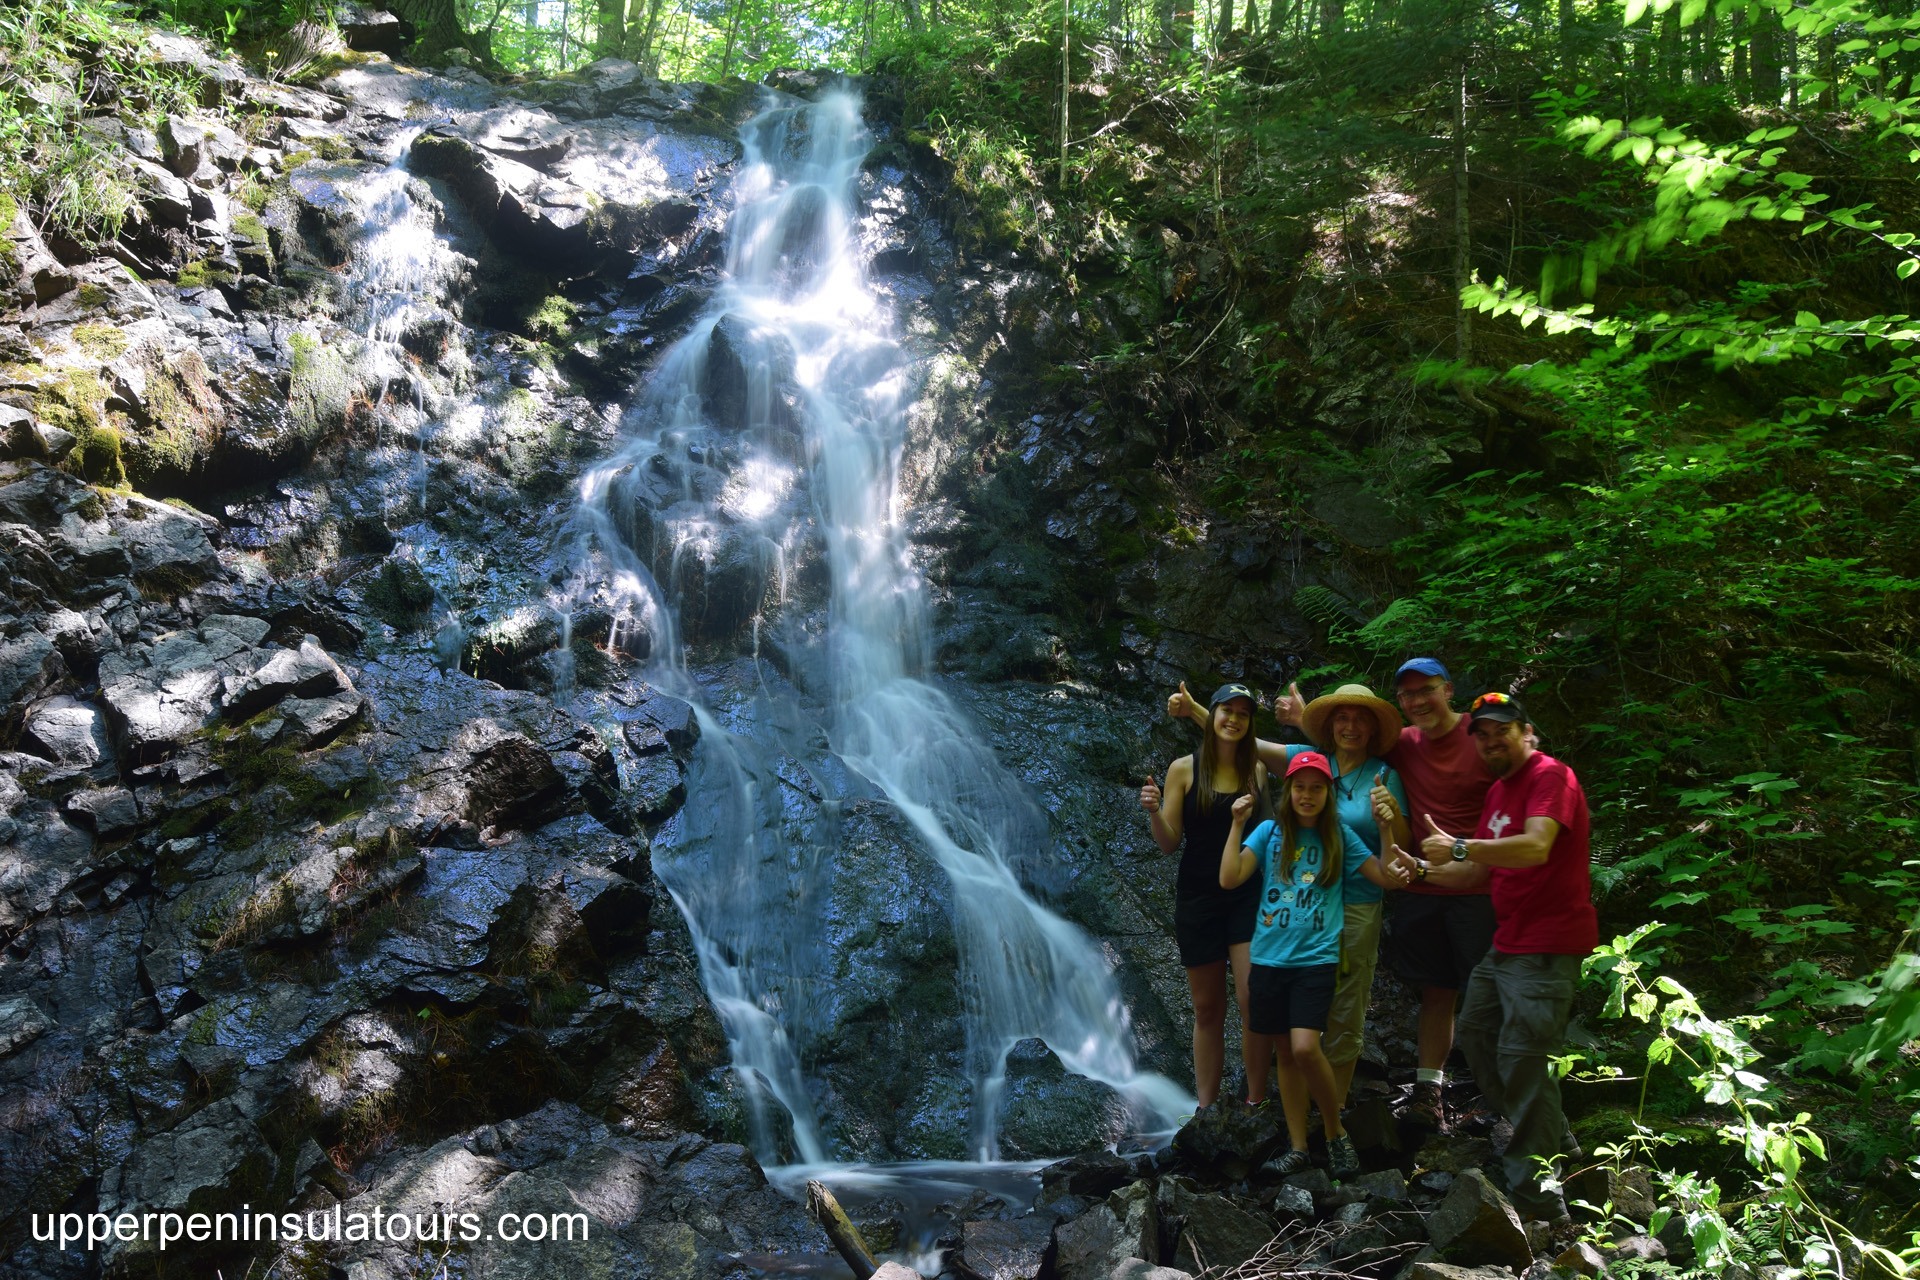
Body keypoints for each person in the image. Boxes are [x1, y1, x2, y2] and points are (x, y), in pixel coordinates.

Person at [1177, 658, 1494, 1129]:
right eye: (1341, 718)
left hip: (1360, 904)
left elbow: (1401, 847)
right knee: (1296, 1008)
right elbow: (1242, 740)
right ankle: (1292, 1115)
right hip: (1300, 910)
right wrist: (1197, 710)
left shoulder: (1385, 777)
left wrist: (1389, 819)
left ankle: (1335, 1111)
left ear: (1373, 728)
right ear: (1327, 726)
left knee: (1344, 1010)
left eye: (1360, 718)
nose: (1350, 726)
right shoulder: (1308, 762)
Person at [1412, 692, 1596, 1242]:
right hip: (1508, 942)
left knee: (1522, 1058)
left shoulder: (1550, 778)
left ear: (1527, 732)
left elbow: (1536, 846)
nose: (1492, 741)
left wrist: (1462, 847)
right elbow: (1477, 875)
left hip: (1548, 944)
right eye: (1483, 735)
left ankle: (1539, 1203)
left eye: (1502, 731)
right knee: (1477, 1035)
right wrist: (1420, 870)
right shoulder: (1497, 791)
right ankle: (1554, 1136)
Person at [1223, 751, 1409, 1179]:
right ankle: (1299, 1146)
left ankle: (1334, 1131)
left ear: (1328, 794)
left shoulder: (1339, 836)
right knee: (1285, 1054)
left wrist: (1385, 828)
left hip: (1315, 960)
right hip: (1269, 960)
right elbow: (1229, 877)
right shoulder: (1268, 832)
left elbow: (1384, 876)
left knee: (1306, 1047)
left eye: (1317, 788)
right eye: (1300, 787)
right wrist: (1236, 825)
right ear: (1287, 791)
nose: (1307, 795)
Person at [1139, 683, 1271, 1108]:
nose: (1233, 720)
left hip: (1247, 895)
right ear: (1211, 716)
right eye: (1226, 711)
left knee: (1253, 999)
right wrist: (1155, 811)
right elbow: (1168, 843)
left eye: (1243, 714)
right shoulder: (1183, 769)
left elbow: (1269, 835)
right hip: (1198, 898)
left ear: (1249, 724)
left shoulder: (1258, 771)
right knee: (1208, 1008)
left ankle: (1256, 1102)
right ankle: (1206, 1109)